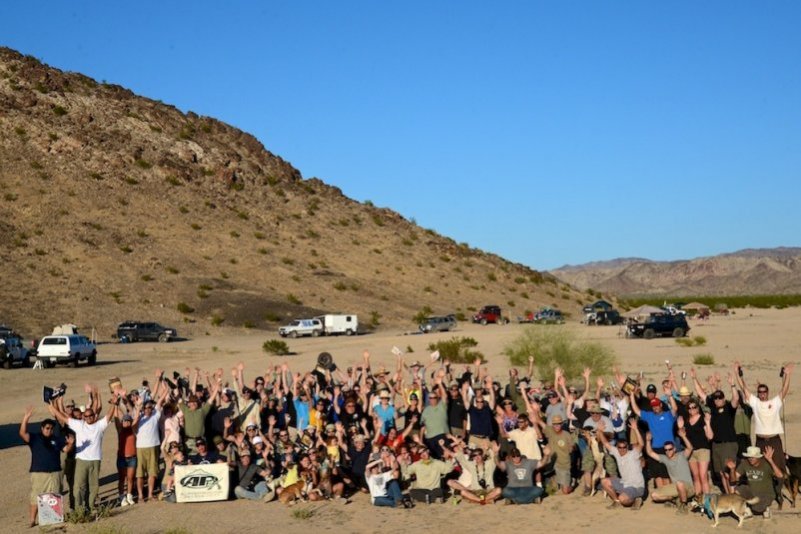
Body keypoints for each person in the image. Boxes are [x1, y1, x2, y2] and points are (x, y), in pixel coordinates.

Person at [48, 385, 118, 512]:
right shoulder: (79, 425)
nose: (89, 417)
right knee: (78, 486)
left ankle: (90, 507)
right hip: (81, 460)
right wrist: (53, 407)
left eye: (91, 415)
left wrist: (113, 403)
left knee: (94, 487)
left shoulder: (99, 426)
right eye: (87, 416)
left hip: (96, 460)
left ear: (94, 416)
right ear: (84, 417)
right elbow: (63, 417)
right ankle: (79, 509)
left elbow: (108, 416)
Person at [736, 362, 793, 483]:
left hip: (774, 440)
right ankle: (764, 489)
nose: (762, 394)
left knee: (779, 465)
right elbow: (743, 388)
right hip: (760, 440)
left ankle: (780, 491)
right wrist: (738, 373)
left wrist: (787, 375)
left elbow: (784, 390)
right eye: (760, 392)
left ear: (767, 392)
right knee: (760, 465)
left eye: (764, 391)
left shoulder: (775, 402)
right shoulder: (755, 403)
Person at [20, 407, 74, 528]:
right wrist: (25, 419)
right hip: (39, 473)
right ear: (42, 428)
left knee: (54, 495)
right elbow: (22, 434)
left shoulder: (57, 439)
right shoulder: (35, 438)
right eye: (47, 428)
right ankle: (32, 520)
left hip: (55, 472)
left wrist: (70, 444)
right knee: (36, 495)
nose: (49, 430)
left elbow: (65, 450)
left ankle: (53, 517)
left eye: (51, 428)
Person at [645, 429, 695, 513]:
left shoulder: (682, 455)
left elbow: (690, 448)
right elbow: (650, 452)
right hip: (675, 487)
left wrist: (683, 436)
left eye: (670, 449)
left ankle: (683, 505)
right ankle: (675, 499)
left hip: (688, 487)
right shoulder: (665, 459)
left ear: (674, 449)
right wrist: (647, 441)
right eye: (666, 450)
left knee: (680, 483)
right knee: (654, 495)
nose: (668, 451)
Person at [598, 420, 645, 509]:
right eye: (620, 447)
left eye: (624, 447)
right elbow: (606, 443)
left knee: (623, 499)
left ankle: (636, 499)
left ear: (627, 447)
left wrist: (635, 429)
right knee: (604, 481)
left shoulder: (633, 454)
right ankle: (616, 502)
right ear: (617, 447)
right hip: (624, 483)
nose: (622, 449)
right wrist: (600, 431)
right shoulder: (616, 452)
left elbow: (641, 444)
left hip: (636, 486)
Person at [727, 445, 784, 518]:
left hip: (766, 494)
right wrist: (732, 470)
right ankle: (748, 511)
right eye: (749, 457)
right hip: (752, 492)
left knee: (757, 508)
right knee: (737, 490)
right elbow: (734, 480)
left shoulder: (766, 464)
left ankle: (765, 509)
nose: (750, 459)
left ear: (758, 457)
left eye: (753, 457)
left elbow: (780, 475)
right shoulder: (745, 463)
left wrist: (770, 460)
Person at [113, 413, 137, 507]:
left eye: (128, 421)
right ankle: (121, 497)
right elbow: (116, 420)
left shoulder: (133, 430)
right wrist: (115, 406)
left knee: (130, 478)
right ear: (122, 422)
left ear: (131, 422)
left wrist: (138, 407)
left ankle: (129, 496)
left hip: (132, 457)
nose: (126, 423)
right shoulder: (120, 430)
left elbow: (137, 418)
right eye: (124, 421)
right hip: (122, 458)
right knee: (122, 478)